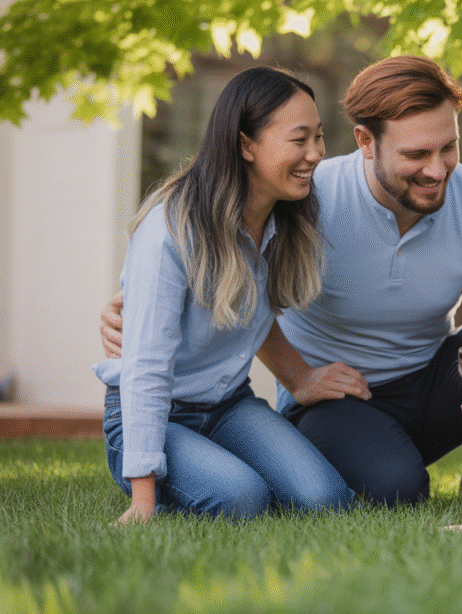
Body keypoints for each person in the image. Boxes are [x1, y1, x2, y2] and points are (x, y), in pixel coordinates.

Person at [101, 56, 462, 506]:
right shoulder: (304, 197)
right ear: (365, 142)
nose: (437, 169)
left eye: (449, 147)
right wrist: (141, 300)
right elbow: (219, 267)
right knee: (390, 490)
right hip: (337, 398)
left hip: (431, 379)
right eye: (416, 153)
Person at [93, 67, 355, 523]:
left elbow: (251, 312)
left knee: (324, 499)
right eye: (299, 139)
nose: (315, 153)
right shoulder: (170, 230)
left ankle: (216, 463)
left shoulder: (283, 216)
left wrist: (302, 379)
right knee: (240, 499)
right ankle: (173, 472)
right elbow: (146, 367)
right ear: (246, 145)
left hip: (228, 405)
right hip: (154, 414)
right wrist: (143, 500)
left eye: (318, 137)